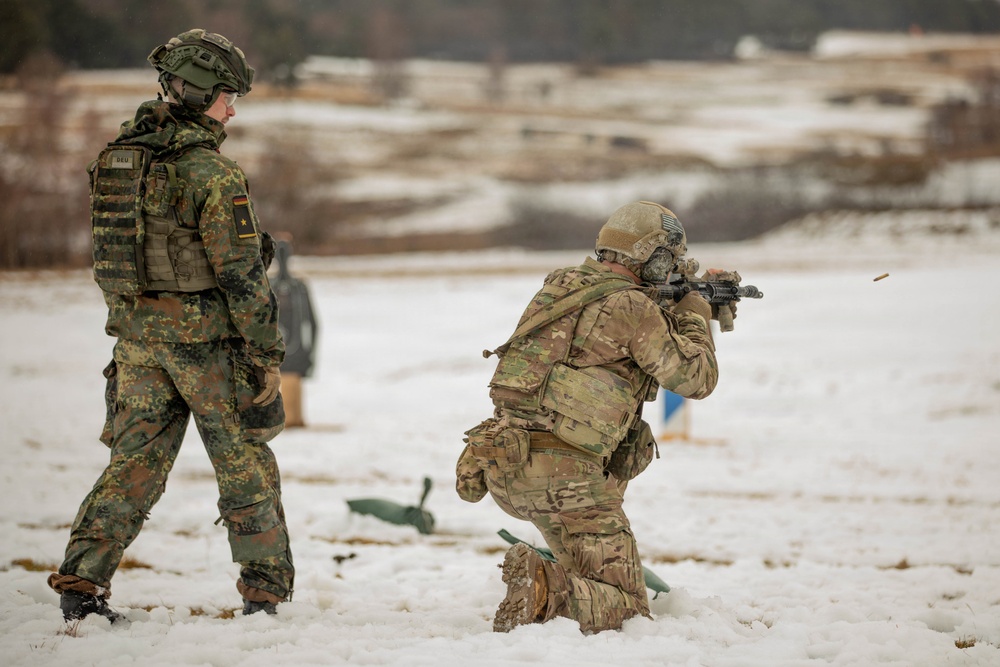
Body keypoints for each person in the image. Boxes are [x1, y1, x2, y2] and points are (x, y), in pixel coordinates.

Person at [47, 29, 293, 622]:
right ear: (201, 93)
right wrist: (266, 353)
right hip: (207, 348)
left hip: (137, 344)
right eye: (227, 96)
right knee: (245, 465)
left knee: (132, 464)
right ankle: (265, 595)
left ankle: (82, 585)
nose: (232, 108)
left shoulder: (116, 161)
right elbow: (242, 278)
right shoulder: (212, 175)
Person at [456, 201, 719, 633]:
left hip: (508, 465)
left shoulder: (559, 286)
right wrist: (695, 318)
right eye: (667, 260)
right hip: (567, 482)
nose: (669, 269)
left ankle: (552, 585)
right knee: (626, 610)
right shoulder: (633, 309)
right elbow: (697, 378)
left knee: (594, 578)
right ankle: (544, 584)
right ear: (651, 257)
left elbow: (599, 339)